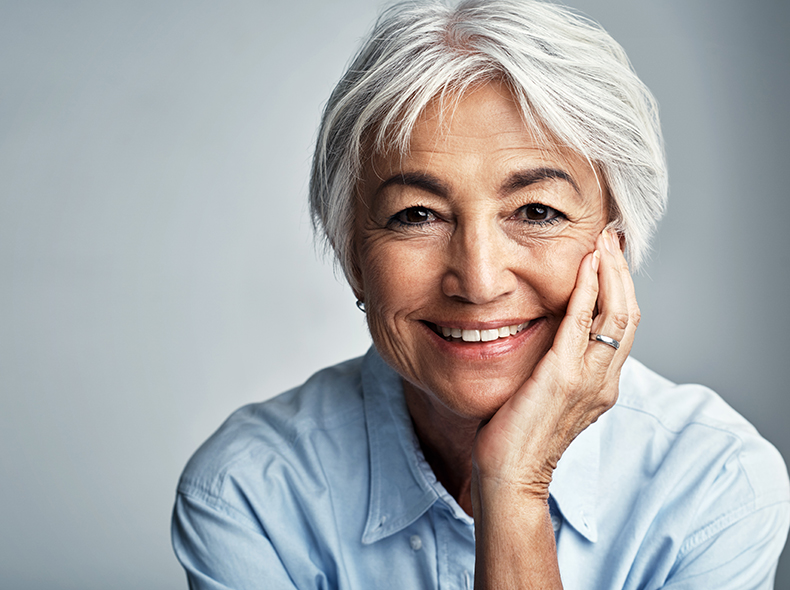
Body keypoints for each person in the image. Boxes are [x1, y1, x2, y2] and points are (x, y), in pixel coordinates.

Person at [171, 0, 790, 587]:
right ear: (353, 257)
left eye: (538, 211)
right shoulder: (249, 491)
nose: (480, 281)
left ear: (616, 248)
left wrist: (516, 484)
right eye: (417, 215)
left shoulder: (714, 483)